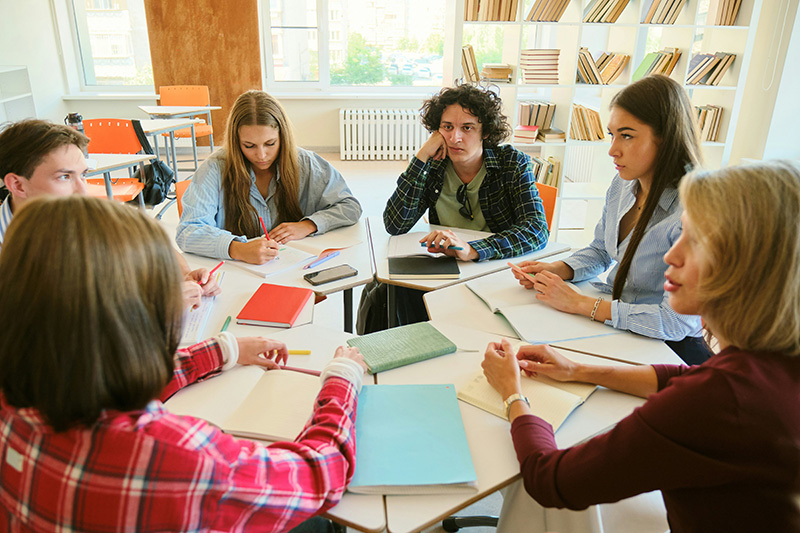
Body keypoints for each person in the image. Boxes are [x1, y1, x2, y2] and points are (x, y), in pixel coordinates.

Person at [0, 195, 367, 532]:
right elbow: (319, 473)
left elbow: (100, 372)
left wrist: (224, 351)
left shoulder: (21, 397)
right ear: (138, 324)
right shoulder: (177, 457)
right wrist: (341, 382)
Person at [482, 160, 800, 532]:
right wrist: (580, 370)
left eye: (694, 241)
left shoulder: (717, 401)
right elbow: (687, 377)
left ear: (748, 264)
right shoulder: (770, 362)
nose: (670, 255)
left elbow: (550, 481)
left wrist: (512, 395)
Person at [511, 75, 708, 364]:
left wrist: (583, 304)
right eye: (612, 135)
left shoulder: (693, 212)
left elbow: (678, 323)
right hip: (620, 330)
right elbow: (602, 250)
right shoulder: (622, 184)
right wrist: (557, 269)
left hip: (668, 351)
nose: (613, 149)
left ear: (665, 136)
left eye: (626, 135)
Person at [0, 119, 220, 310]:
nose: (83, 190)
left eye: (83, 175)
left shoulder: (84, 213)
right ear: (17, 185)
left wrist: (184, 277)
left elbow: (155, 246)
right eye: (64, 177)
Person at [381, 82, 549, 324]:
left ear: (486, 132)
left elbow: (537, 229)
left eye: (467, 128)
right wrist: (421, 157)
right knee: (395, 292)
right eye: (446, 127)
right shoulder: (434, 166)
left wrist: (474, 250)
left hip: (494, 269)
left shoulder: (512, 163)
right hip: (445, 272)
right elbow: (395, 224)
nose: (454, 138)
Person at [176, 90, 362, 264]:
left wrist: (308, 225)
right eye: (249, 146)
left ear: (283, 137)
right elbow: (188, 231)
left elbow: (350, 207)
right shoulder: (214, 168)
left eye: (270, 143)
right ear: (236, 142)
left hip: (294, 268)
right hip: (236, 275)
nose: (261, 155)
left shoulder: (306, 162)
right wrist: (238, 249)